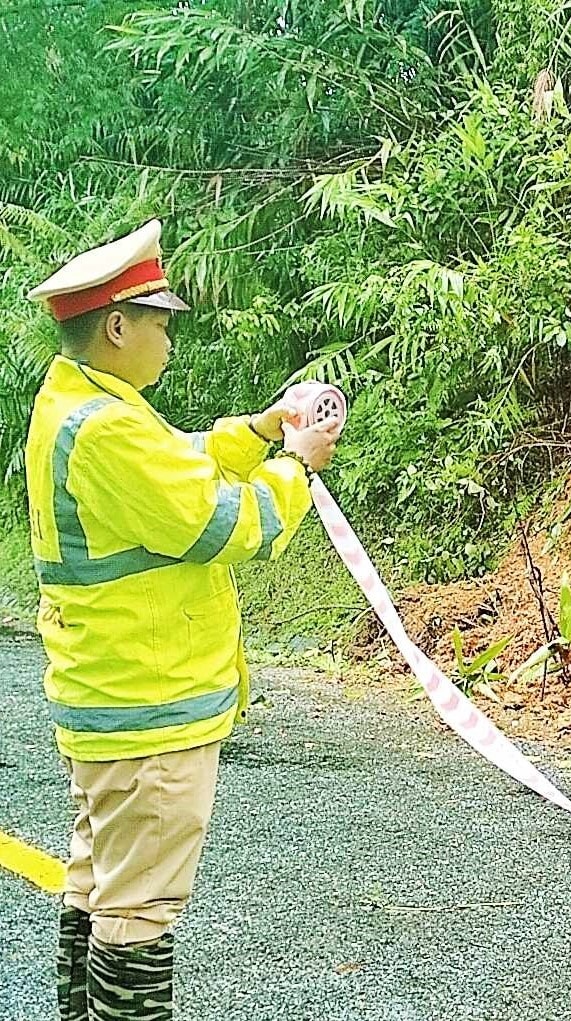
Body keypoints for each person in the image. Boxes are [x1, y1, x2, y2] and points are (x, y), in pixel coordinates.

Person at [24, 220, 342, 1021]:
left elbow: (181, 460)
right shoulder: (107, 427)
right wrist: (299, 465)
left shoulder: (84, 404)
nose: (169, 336)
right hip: (148, 709)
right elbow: (221, 524)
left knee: (100, 888)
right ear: (118, 325)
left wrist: (264, 430)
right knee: (139, 912)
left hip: (112, 704)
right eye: (160, 320)